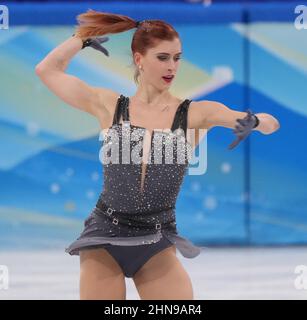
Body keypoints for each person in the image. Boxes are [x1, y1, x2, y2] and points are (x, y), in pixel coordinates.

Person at [35, 9, 280, 300]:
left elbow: (271, 123)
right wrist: (82, 38)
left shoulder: (196, 113)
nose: (172, 67)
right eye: (162, 58)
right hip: (104, 235)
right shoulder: (109, 105)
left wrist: (253, 122)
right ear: (139, 59)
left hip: (157, 237)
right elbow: (47, 71)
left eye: (177, 58)